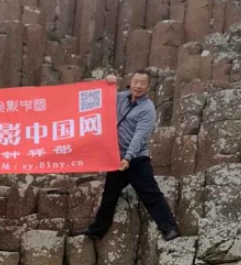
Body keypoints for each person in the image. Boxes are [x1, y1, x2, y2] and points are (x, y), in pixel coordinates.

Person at [74, 70, 180, 242]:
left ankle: (170, 228)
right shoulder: (121, 98)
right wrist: (106, 83)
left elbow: (140, 136)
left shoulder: (148, 109)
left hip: (136, 159)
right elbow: (100, 98)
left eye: (142, 83)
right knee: (109, 195)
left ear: (148, 87)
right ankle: (97, 231)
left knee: (151, 194)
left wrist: (128, 157)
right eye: (136, 82)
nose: (138, 86)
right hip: (117, 158)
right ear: (131, 82)